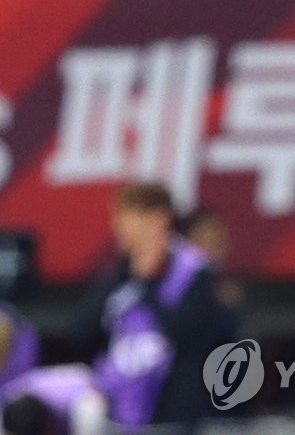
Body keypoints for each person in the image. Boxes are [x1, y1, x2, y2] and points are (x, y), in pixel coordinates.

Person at [80, 183, 221, 430]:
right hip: (117, 410)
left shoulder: (196, 271)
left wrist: (149, 283)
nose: (118, 227)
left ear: (158, 220)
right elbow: (82, 331)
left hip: (173, 414)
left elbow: (182, 332)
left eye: (127, 217)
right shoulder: (121, 273)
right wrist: (131, 277)